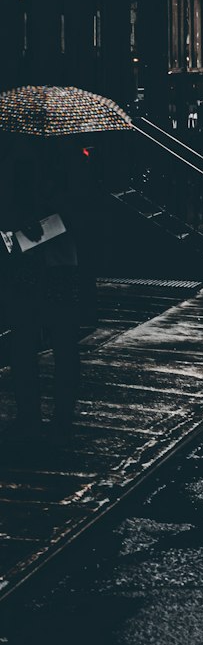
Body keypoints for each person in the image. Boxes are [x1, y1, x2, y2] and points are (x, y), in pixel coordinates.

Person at [0, 139, 85, 445]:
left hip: (32, 262)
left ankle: (31, 419)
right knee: (61, 342)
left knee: (25, 342)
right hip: (59, 261)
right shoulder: (68, 157)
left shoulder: (15, 157)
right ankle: (60, 419)